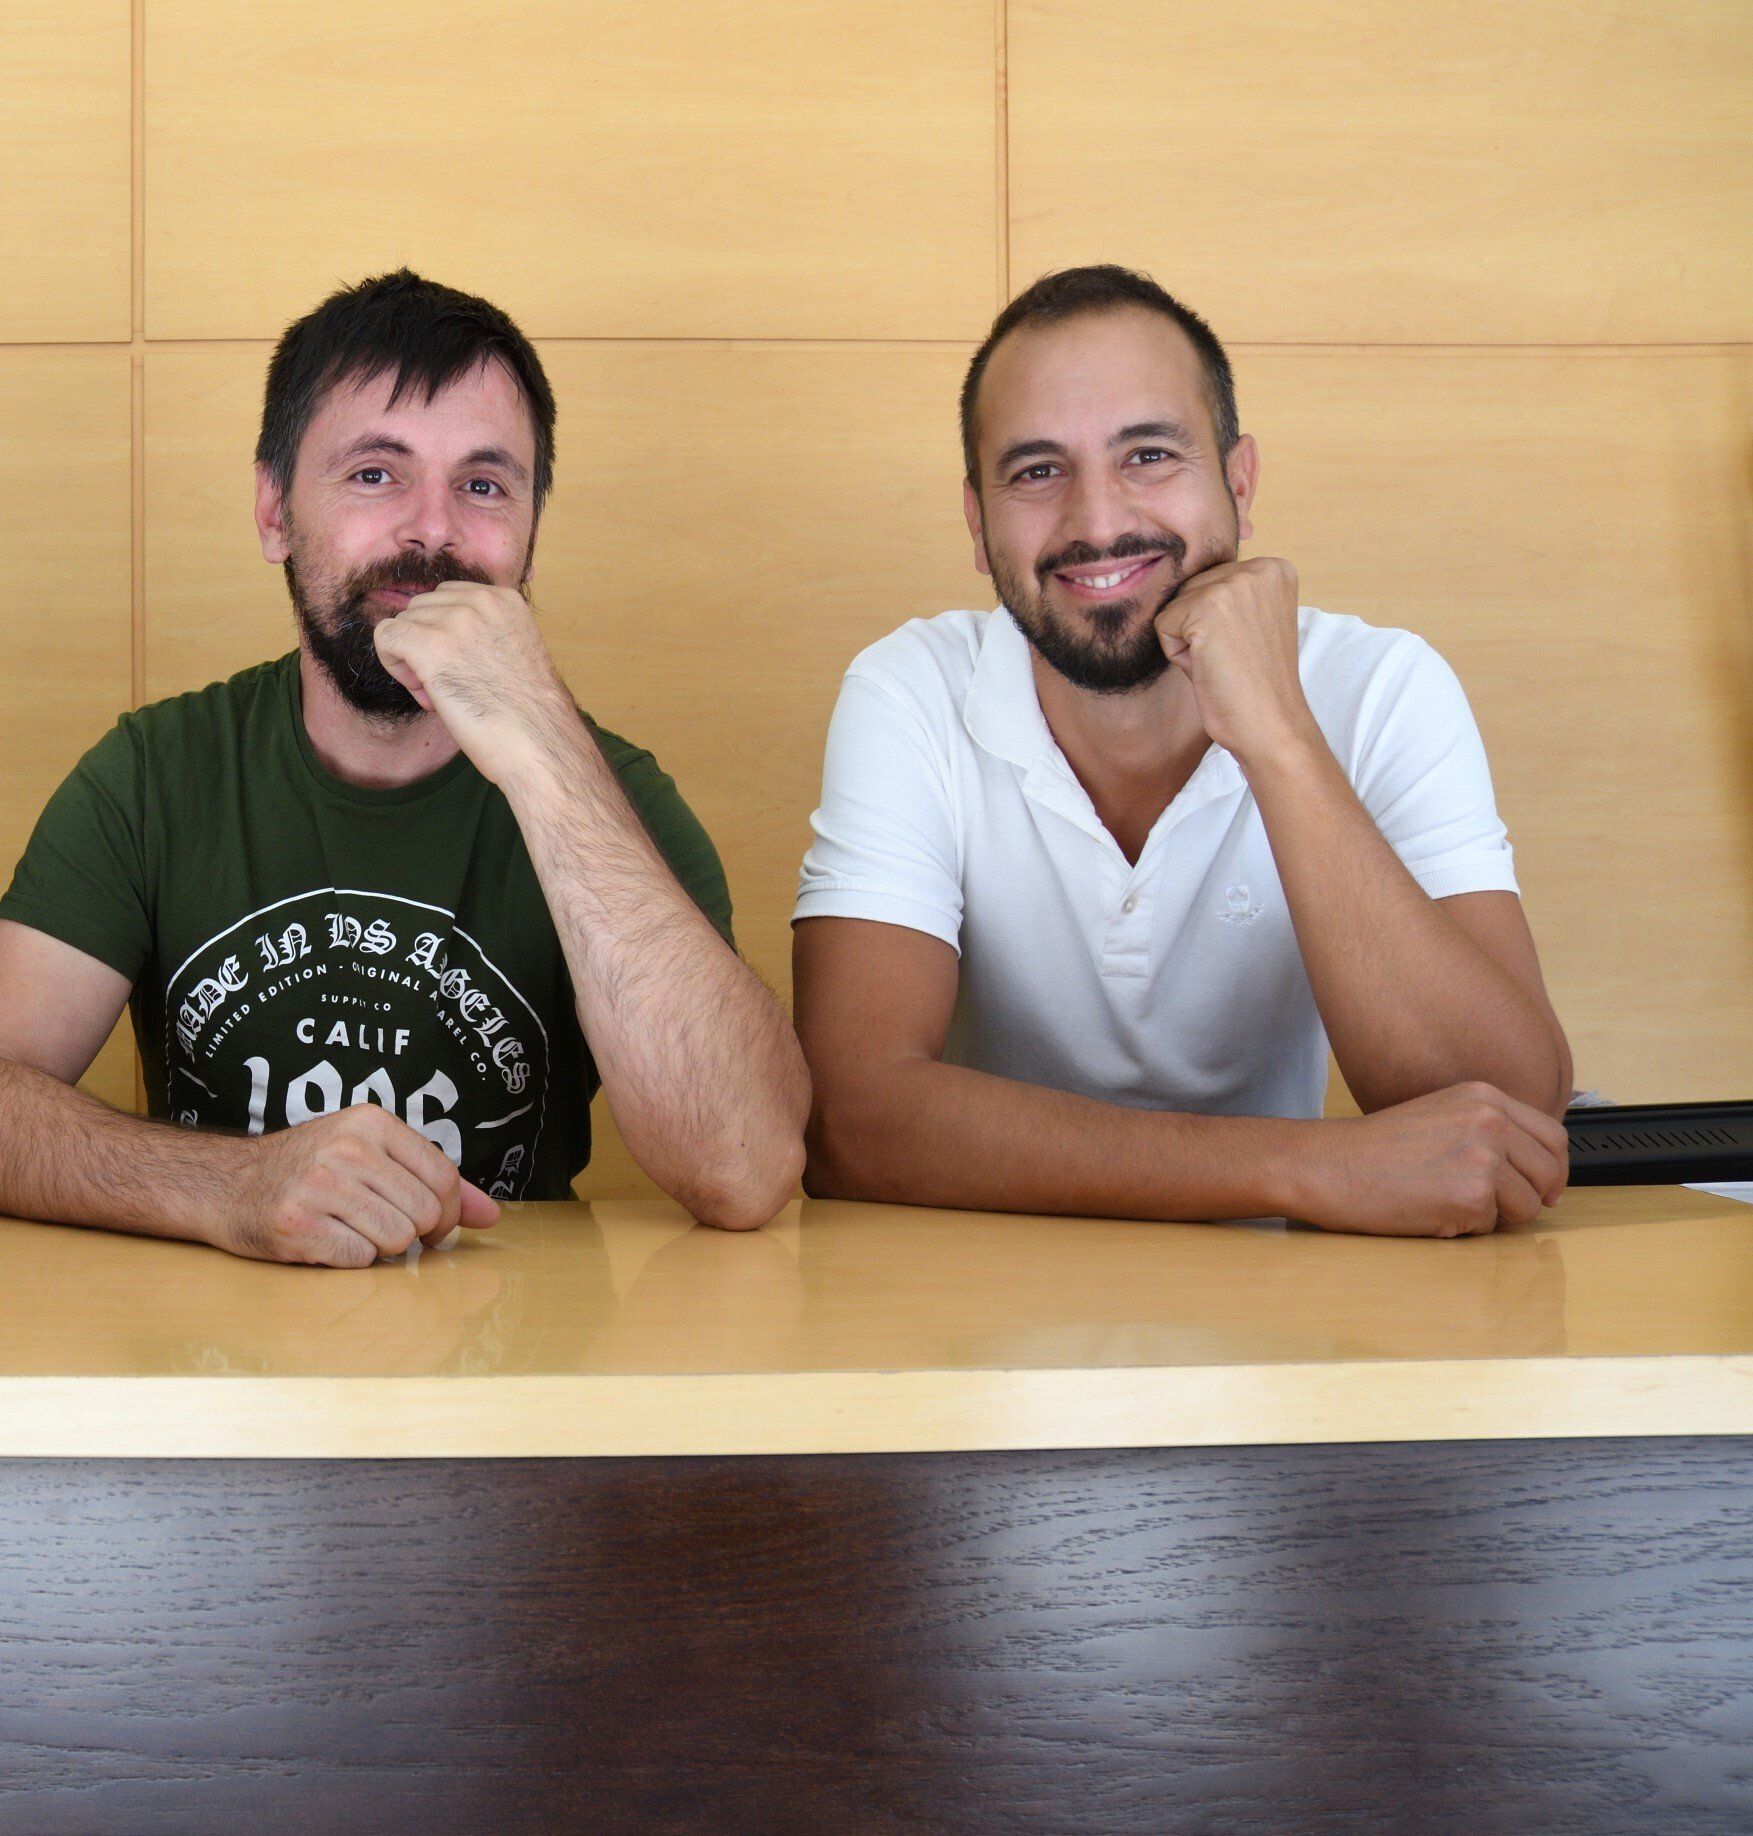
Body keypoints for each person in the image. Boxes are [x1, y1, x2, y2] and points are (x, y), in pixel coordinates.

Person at [0, 269, 808, 1265]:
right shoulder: (151, 776)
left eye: (483, 485)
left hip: (519, 1352)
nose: (433, 531)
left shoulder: (620, 800)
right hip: (218, 1351)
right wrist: (227, 1184)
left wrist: (547, 754)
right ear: (274, 512)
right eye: (376, 474)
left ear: (530, 538)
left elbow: (743, 1168)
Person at [793, 264, 1571, 1238]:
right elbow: (849, 1122)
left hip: (1295, 1314)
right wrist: (1301, 1167)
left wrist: (1279, 737)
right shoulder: (910, 690)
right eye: (1036, 472)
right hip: (988, 1300)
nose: (1096, 522)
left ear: (1238, 484)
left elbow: (1507, 1118)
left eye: (1149, 454)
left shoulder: (1380, 687)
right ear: (976, 525)